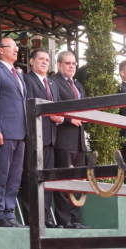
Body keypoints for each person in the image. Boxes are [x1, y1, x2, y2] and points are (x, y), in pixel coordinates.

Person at [0, 37, 28, 228]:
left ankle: (10, 213)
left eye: (17, 47)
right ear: (0, 50)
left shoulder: (17, 74)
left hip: (21, 132)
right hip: (4, 131)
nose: (16, 50)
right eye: (12, 47)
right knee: (3, 174)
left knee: (15, 176)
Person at [49, 50, 92, 229]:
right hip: (64, 139)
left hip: (80, 140)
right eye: (68, 63)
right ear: (59, 65)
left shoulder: (79, 86)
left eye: (74, 63)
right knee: (63, 180)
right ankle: (64, 220)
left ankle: (76, 220)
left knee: (79, 181)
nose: (72, 66)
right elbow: (54, 108)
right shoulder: (54, 83)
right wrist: (69, 119)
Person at [22, 48, 62, 227]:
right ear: (31, 61)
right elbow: (28, 107)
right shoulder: (27, 80)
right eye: (41, 59)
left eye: (47, 59)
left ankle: (45, 218)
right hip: (35, 136)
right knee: (33, 179)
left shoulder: (52, 83)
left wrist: (61, 116)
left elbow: (59, 105)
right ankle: (33, 219)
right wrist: (49, 115)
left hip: (51, 137)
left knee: (47, 179)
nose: (45, 62)